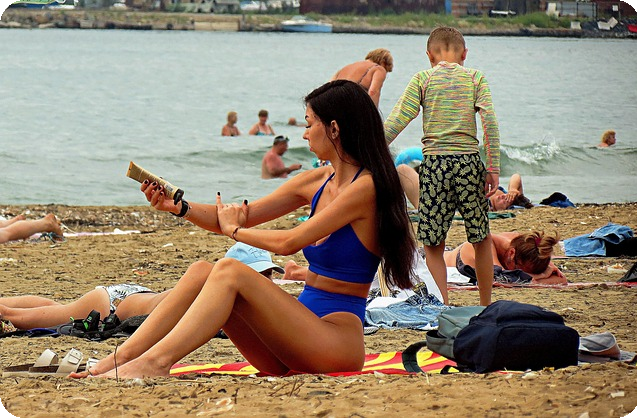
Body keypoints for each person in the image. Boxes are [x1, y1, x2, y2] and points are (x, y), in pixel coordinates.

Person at [70, 80, 416, 379]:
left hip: (334, 345)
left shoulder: (366, 188)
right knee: (201, 271)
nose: (304, 133)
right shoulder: (317, 180)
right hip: (288, 342)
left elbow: (289, 241)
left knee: (230, 271)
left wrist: (235, 231)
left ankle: (156, 363)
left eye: (310, 124)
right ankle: (121, 358)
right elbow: (242, 216)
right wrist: (180, 207)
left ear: (334, 128)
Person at [384, 26, 501, 306]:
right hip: (469, 163)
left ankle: (443, 305)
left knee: (433, 243)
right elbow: (490, 122)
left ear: (429, 55)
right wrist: (493, 167)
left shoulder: (423, 79)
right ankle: (485, 304)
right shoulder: (475, 78)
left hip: (436, 166)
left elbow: (399, 118)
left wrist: (370, 150)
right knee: (481, 238)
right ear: (464, 54)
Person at [0, 242, 283, 331]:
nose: (266, 283)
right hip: (111, 306)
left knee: (57, 309)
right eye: (260, 275)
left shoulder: (226, 296)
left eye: (269, 274)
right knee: (19, 319)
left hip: (130, 296)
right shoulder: (214, 293)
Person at [443, 231, 567, 286]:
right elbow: (502, 279)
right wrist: (541, 276)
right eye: (518, 270)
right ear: (511, 253)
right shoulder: (485, 243)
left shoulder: (529, 247)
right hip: (441, 260)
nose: (520, 273)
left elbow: (561, 280)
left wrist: (536, 276)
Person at [397, 164, 531, 211]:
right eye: (507, 196)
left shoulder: (487, 207)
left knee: (402, 170)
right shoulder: (501, 192)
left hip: (431, 205)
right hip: (441, 188)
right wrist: (513, 190)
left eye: (505, 202)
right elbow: (516, 176)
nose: (503, 197)